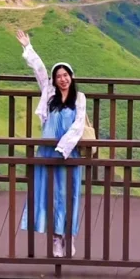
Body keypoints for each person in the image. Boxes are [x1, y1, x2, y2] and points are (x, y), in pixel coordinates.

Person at [15, 28, 87, 257]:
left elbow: (78, 126)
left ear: (72, 77)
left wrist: (63, 147)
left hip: (68, 152)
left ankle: (69, 236)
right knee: (47, 192)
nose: (62, 79)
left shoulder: (79, 98)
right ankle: (55, 238)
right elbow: (39, 70)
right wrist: (27, 47)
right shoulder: (49, 92)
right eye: (59, 76)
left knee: (69, 193)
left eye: (66, 75)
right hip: (47, 149)